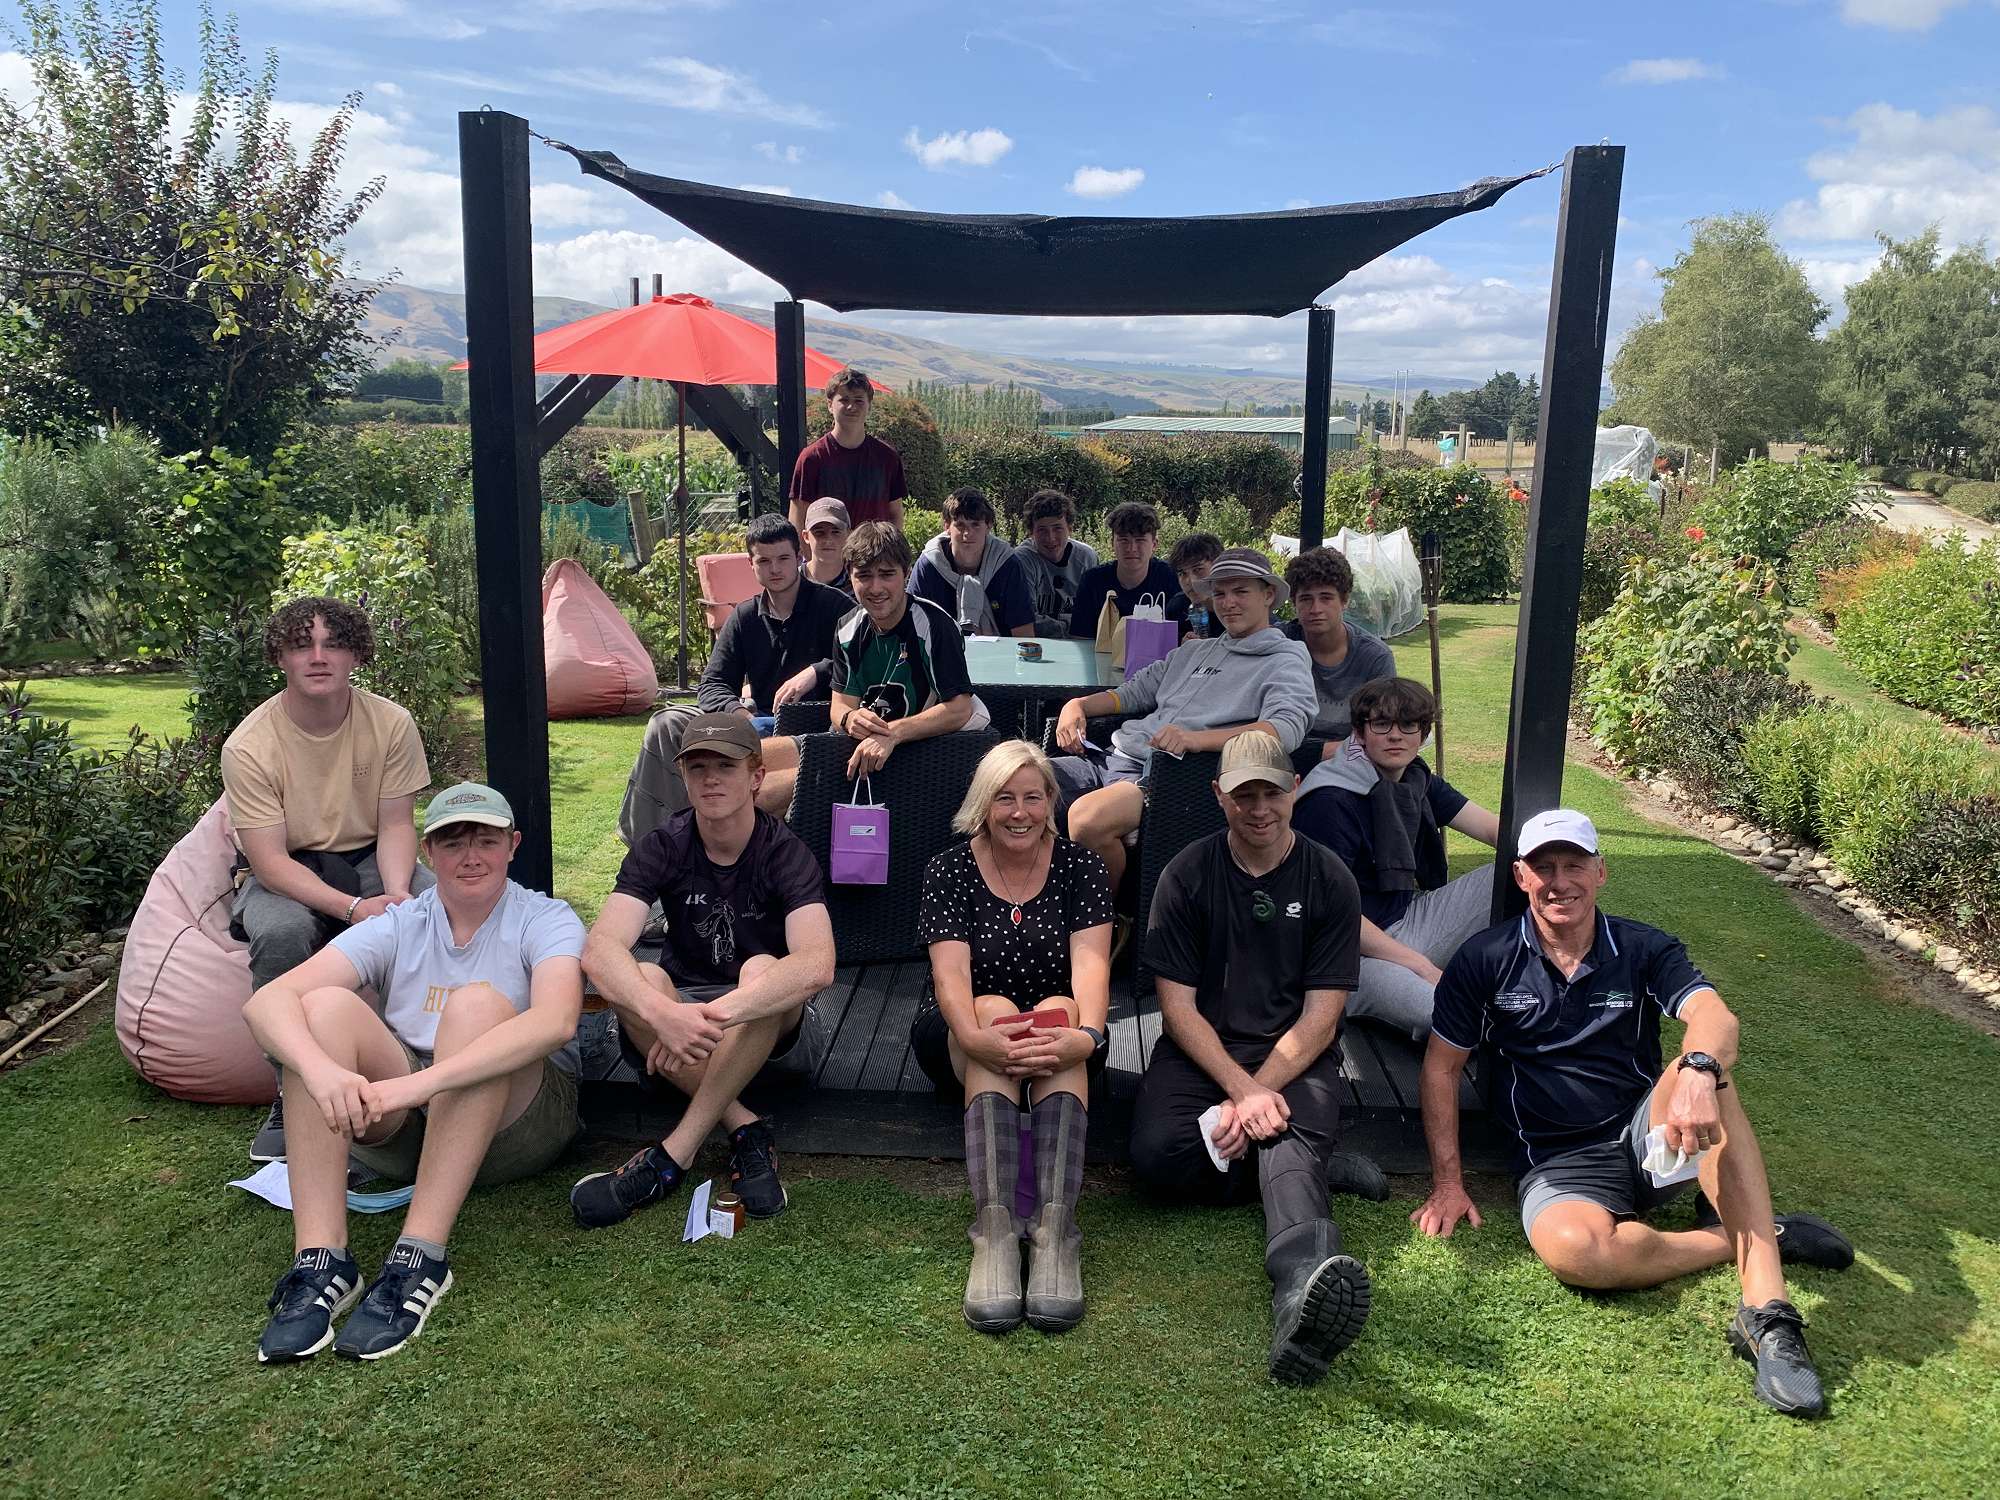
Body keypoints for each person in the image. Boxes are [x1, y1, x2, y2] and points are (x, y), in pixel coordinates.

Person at [1414, 809, 1854, 1419]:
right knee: (1577, 1253)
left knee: (1711, 1072)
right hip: (1557, 1163)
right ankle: (1749, 1235)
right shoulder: (1484, 959)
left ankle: (1769, 1314)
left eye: (1574, 865)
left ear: (1600, 872)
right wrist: (1448, 1182)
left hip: (1650, 1135)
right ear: (1520, 877)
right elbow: (1441, 1069)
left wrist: (1697, 1069)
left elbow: (1716, 1017)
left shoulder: (1644, 947)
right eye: (1544, 867)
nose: (1559, 881)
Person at [242, 782, 586, 1363]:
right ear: (429, 852)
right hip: (405, 1125)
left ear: (513, 845)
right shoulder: (402, 921)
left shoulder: (545, 918)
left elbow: (556, 1022)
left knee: (476, 1006)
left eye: (486, 840)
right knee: (321, 1009)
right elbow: (266, 1003)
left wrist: (417, 1085)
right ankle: (321, 1260)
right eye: (453, 842)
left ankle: (419, 1256)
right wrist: (320, 1071)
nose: (470, 856)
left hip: (516, 1125)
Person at [1128, 731, 1372, 1385]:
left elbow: (1321, 1019)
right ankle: (1312, 1167)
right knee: (1156, 1155)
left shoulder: (1330, 879)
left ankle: (1300, 1293)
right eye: (1244, 795)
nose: (1259, 808)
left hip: (1293, 1055)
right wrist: (1244, 1092)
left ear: (1295, 789)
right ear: (1219, 795)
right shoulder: (1186, 874)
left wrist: (1257, 1091)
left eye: (1271, 792)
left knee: (1284, 1145)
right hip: (1201, 1049)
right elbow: (1178, 1011)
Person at [572, 714, 837, 1229]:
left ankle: (674, 1154)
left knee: (764, 969)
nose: (711, 779)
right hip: (677, 1031)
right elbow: (600, 950)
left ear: (756, 776)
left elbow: (816, 964)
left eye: (725, 766)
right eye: (698, 767)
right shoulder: (663, 844)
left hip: (765, 1037)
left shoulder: (786, 851)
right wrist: (662, 1014)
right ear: (683, 777)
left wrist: (709, 1017)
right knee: (644, 979)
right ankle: (745, 1127)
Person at [224, 595, 434, 1164]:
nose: (318, 657)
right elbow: (269, 862)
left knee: (429, 913)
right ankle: (289, 1089)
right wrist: (353, 909)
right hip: (290, 867)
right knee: (282, 934)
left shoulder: (391, 723)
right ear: (280, 657)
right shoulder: (249, 745)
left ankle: (421, 1066)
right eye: (302, 645)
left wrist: (396, 894)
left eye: (333, 643)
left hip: (371, 854)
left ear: (356, 654)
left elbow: (397, 824)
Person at [913, 740, 1113, 1333]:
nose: (1019, 812)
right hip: (962, 1036)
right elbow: (950, 978)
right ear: (983, 803)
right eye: (1004, 798)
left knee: (1059, 1009)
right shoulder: (949, 869)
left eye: (1032, 797)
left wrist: (1089, 1036)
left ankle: (1055, 1233)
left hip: (1058, 1044)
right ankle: (996, 1233)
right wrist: (976, 1037)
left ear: (1051, 800)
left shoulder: (1082, 866)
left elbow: (1092, 968)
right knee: (994, 1008)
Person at [1053, 547, 1315, 894]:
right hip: (1113, 756)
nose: (1228, 603)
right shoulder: (1195, 650)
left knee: (1087, 819)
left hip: (1171, 778)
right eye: (1220, 593)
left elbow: (1283, 730)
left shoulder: (1285, 659)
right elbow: (1133, 692)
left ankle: (1107, 919)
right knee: (1009, 785)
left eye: (1240, 591)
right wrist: (1078, 705)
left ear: (1268, 595)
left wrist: (1195, 739)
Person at [618, 514, 849, 845]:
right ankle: (650, 848)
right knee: (665, 723)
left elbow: (863, 661)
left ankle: (688, 846)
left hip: (812, 729)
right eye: (764, 561)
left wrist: (816, 672)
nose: (775, 569)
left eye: (783, 558)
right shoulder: (745, 616)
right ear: (750, 564)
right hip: (752, 724)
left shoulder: (835, 606)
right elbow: (712, 683)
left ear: (800, 556)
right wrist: (738, 714)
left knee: (728, 758)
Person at [1292, 677, 1499, 1038]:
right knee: (1446, 1017)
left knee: (1519, 872)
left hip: (1405, 921)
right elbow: (1328, 915)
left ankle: (1536, 981)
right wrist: (1420, 966)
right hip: (1346, 956)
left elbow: (1493, 829)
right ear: (1360, 733)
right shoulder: (1330, 801)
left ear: (1423, 734)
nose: (1395, 736)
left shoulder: (1414, 778)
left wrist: (1558, 846)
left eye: (1408, 725)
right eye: (1382, 724)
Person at [756, 523, 987, 817]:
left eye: (887, 574)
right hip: (844, 743)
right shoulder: (848, 627)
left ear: (906, 573)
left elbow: (960, 709)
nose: (875, 588)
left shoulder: (934, 625)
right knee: (740, 761)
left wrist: (893, 733)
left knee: (754, 794)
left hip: (905, 753)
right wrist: (850, 718)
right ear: (850, 576)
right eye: (864, 576)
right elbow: (840, 705)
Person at [1280, 546, 1396, 746]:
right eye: (1306, 599)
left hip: (1353, 756)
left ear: (1345, 600)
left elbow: (1382, 730)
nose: (1315, 609)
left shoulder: (1374, 657)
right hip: (1285, 754)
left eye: (1326, 598)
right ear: (1294, 603)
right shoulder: (1280, 644)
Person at [787, 368, 905, 534]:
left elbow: (895, 515)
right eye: (844, 400)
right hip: (828, 550)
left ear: (869, 406)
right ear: (830, 405)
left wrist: (892, 549)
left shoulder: (887, 458)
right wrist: (809, 552)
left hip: (874, 550)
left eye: (859, 400)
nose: (851, 406)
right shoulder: (812, 458)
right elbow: (797, 520)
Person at [909, 486, 1036, 638]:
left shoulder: (1007, 564)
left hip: (1001, 649)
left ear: (988, 526)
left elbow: (1023, 633)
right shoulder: (928, 565)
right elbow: (911, 625)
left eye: (975, 524)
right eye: (960, 525)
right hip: (939, 648)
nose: (967, 533)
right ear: (947, 526)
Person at [1066, 502, 1178, 641]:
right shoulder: (1092, 581)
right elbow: (1080, 638)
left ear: (1154, 544)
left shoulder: (1172, 578)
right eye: (1123, 540)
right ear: (1112, 543)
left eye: (1140, 540)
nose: (1131, 548)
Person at [1013, 487, 1099, 639]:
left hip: (1079, 644)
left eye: (1057, 528)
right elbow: (1025, 620)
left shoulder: (1086, 558)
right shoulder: (1022, 560)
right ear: (1031, 532)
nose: (1050, 538)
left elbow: (1095, 615)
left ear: (1070, 529)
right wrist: (1074, 627)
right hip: (1037, 644)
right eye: (1042, 530)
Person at [1164, 531, 1224, 640]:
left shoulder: (1236, 607)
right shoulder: (1177, 608)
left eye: (1198, 570)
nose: (1190, 581)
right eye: (1182, 573)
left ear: (1218, 567)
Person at [802, 496, 855, 595]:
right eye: (819, 532)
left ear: (849, 534)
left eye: (835, 532)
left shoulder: (858, 584)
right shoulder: (791, 582)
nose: (828, 540)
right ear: (806, 536)